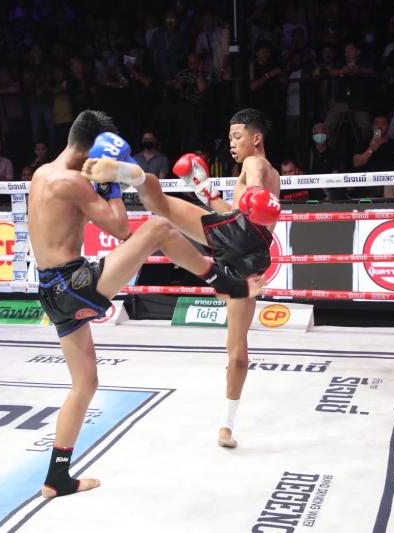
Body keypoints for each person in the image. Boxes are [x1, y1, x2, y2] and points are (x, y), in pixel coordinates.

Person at [28, 110, 264, 498]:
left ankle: (57, 478)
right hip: (72, 284)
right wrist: (109, 183)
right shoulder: (72, 181)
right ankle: (224, 283)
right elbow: (121, 227)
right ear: (94, 148)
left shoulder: (41, 174)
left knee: (85, 384)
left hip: (51, 290)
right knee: (158, 229)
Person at [83, 108, 281, 449]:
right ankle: (226, 427)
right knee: (237, 349)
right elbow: (242, 213)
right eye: (230, 138)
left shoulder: (254, 164)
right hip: (250, 254)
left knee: (161, 206)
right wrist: (208, 193)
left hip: (239, 236)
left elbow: (255, 189)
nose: (232, 144)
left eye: (237, 137)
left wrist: (250, 193)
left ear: (257, 138)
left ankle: (132, 174)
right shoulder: (272, 172)